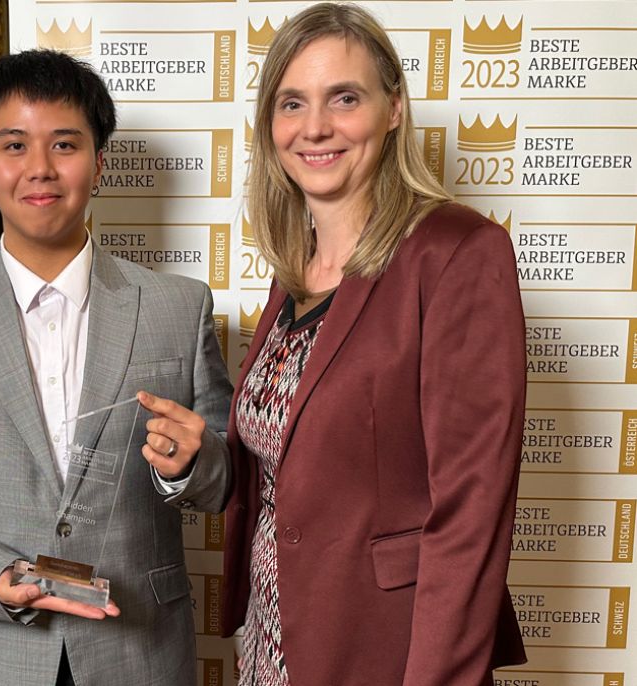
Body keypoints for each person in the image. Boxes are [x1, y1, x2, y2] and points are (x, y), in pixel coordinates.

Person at [0, 50, 232, 686]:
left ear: (99, 163)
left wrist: (194, 465)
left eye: (65, 144)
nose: (40, 168)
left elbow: (226, 474)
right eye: (14, 145)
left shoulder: (180, 306)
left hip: (138, 650)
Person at [220, 3, 527, 684]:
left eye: (345, 98)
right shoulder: (294, 269)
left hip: (384, 649)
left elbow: (470, 514)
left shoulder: (457, 253)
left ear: (393, 109)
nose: (315, 127)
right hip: (274, 639)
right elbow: (303, 461)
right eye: (292, 103)